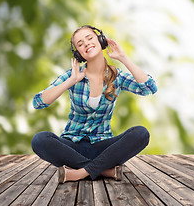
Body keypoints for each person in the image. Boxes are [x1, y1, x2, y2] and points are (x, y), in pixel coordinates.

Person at [31, 25, 157, 183]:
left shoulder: (116, 76)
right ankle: (103, 170)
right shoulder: (73, 75)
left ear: (100, 40)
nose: (86, 44)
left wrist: (123, 57)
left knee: (141, 134)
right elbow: (38, 102)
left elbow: (149, 88)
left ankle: (79, 173)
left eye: (89, 38)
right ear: (78, 53)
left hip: (103, 146)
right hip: (72, 146)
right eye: (80, 44)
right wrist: (70, 82)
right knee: (39, 140)